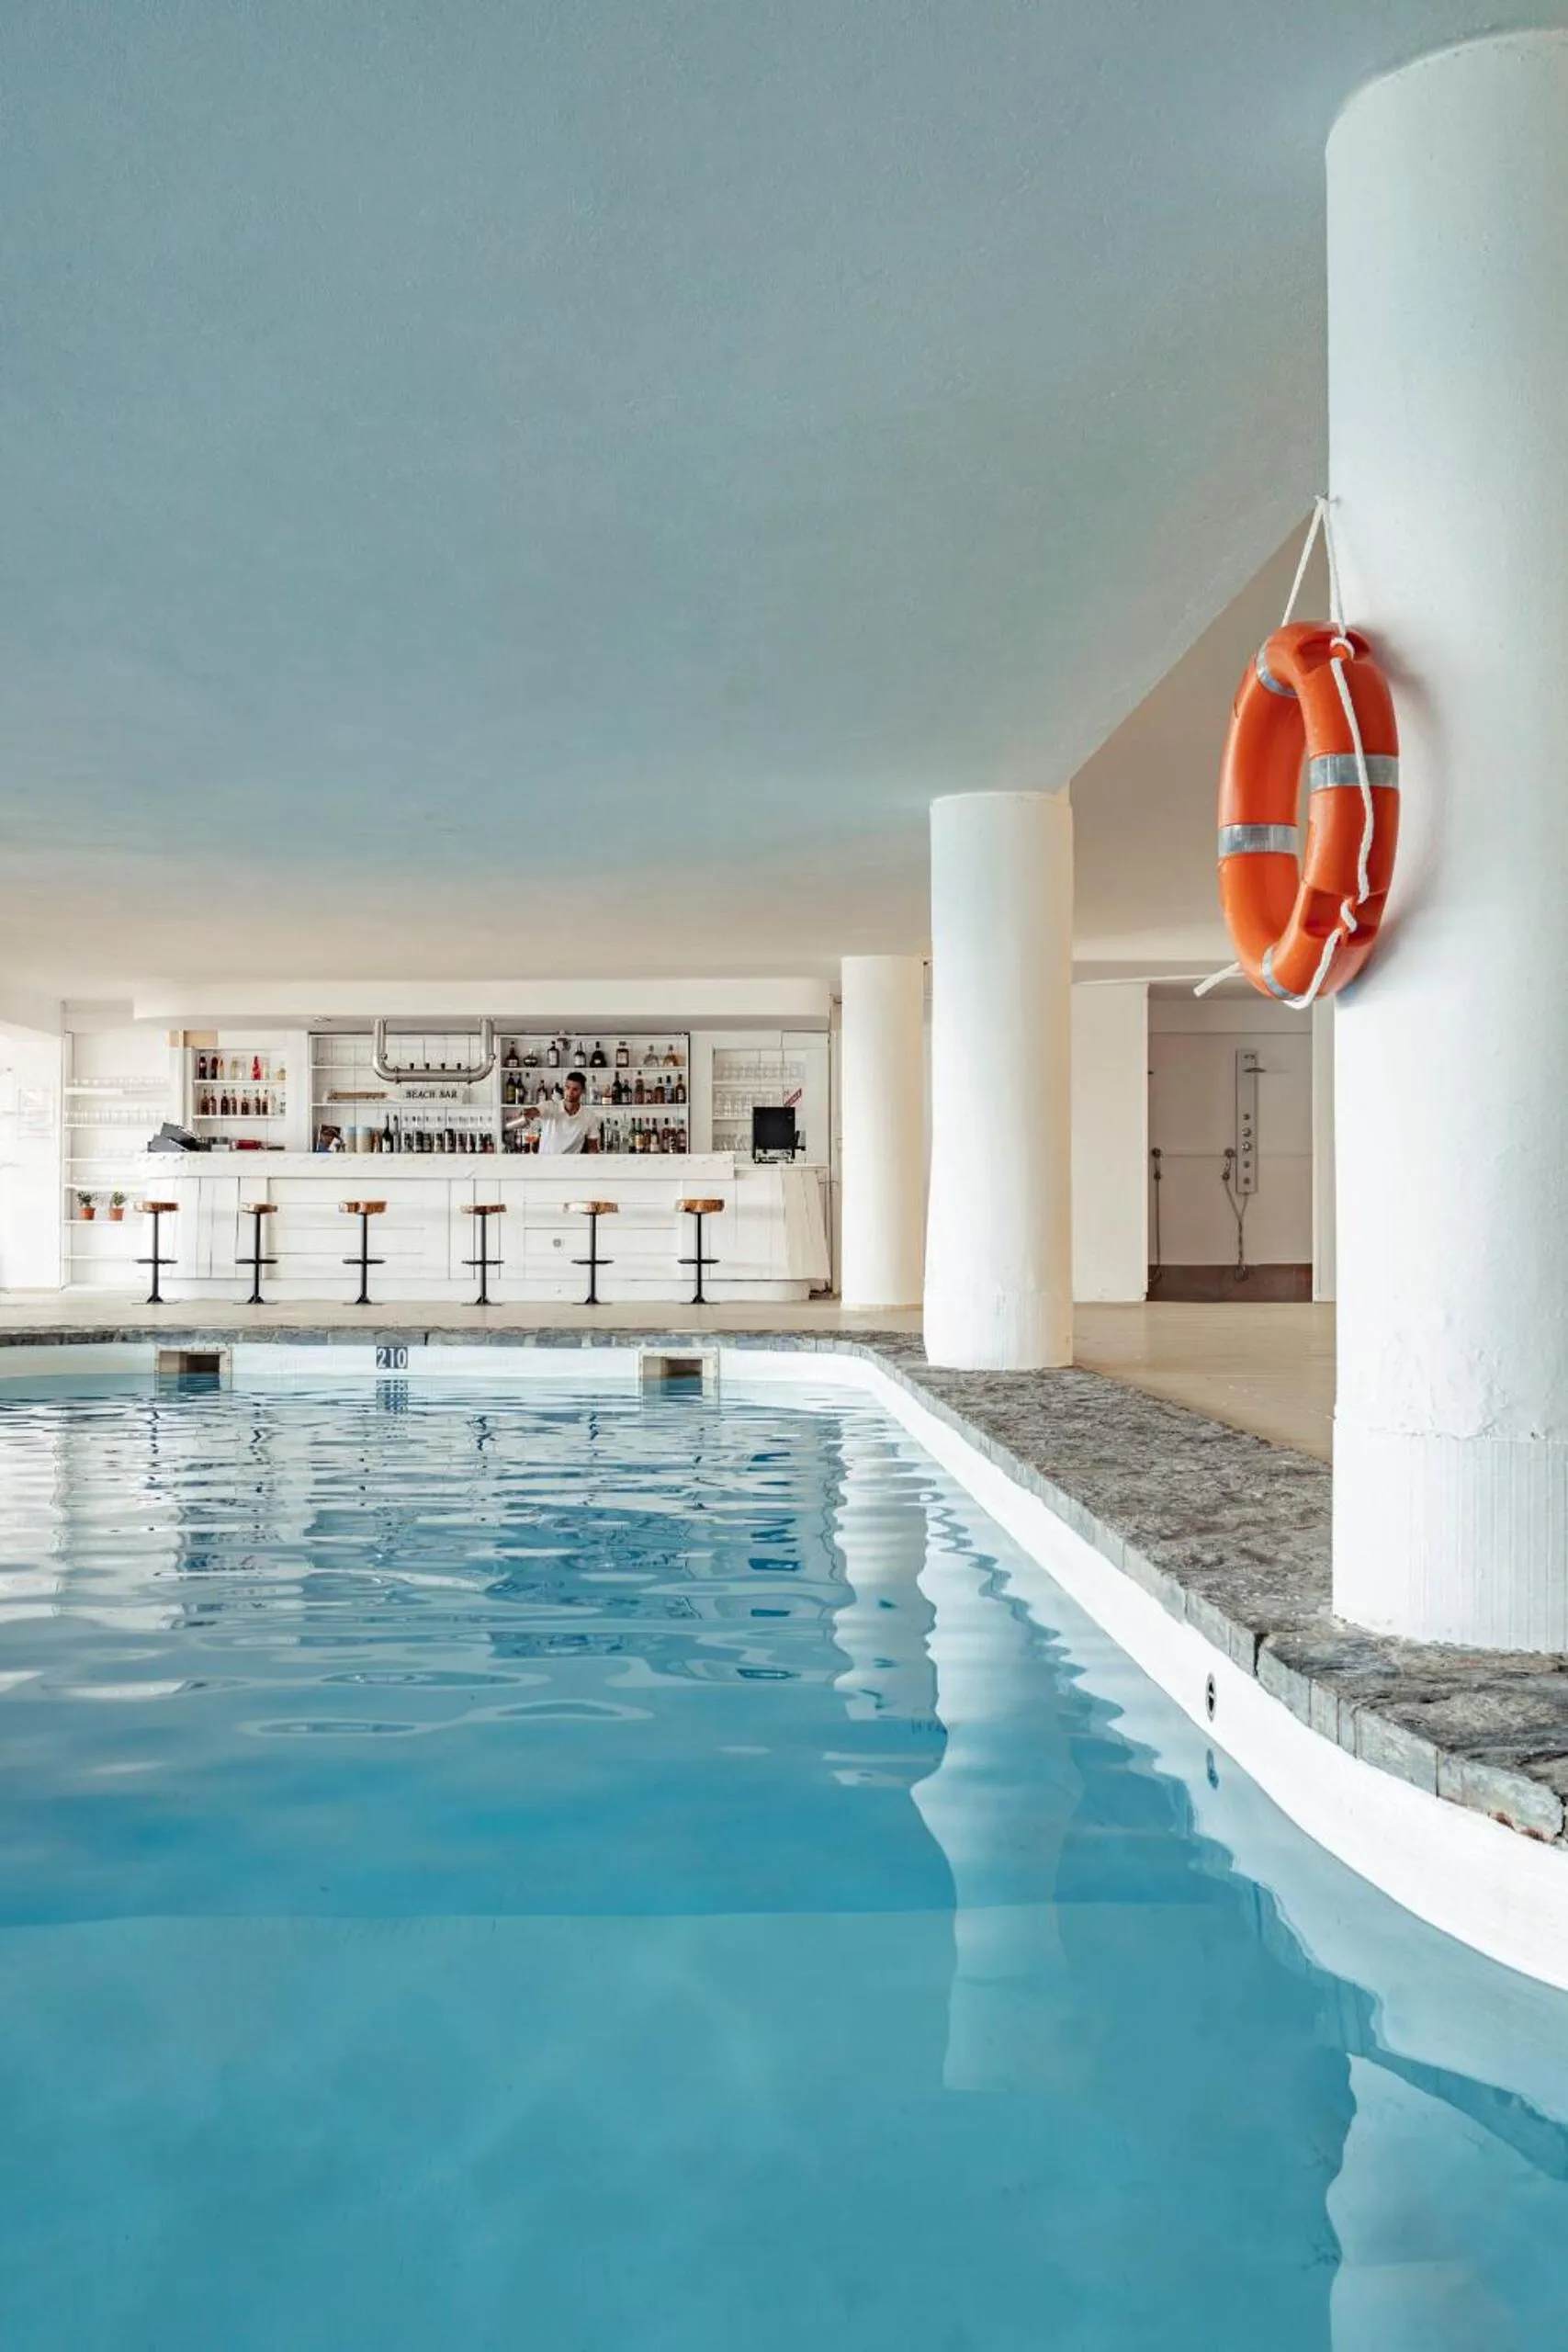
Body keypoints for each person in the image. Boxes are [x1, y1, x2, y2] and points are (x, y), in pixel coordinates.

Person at [506, 1070, 601, 1155]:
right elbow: (537, 1110)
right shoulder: (550, 1106)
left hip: (571, 1168)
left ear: (583, 1091)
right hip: (546, 1166)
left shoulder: (589, 1116)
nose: (570, 1092)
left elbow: (592, 1148)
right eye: (567, 1087)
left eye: (575, 1089)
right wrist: (527, 1112)